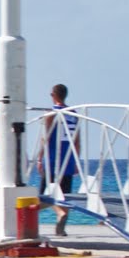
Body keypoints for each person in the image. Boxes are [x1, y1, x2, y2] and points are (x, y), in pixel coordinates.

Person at [38, 83, 80, 236]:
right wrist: (76, 161)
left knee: (45, 194)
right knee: (65, 194)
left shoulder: (51, 114)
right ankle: (61, 225)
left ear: (54, 95)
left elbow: (46, 138)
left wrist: (39, 158)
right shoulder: (74, 113)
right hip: (68, 159)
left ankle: (59, 213)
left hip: (53, 158)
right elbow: (77, 140)